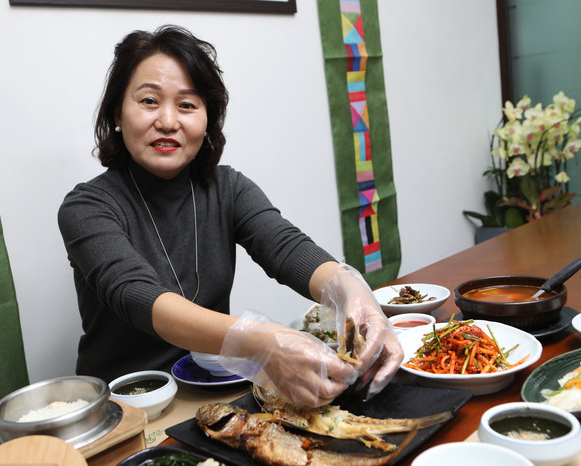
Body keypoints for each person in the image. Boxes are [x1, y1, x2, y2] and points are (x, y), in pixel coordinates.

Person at [58, 25, 401, 407]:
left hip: (212, 392)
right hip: (125, 408)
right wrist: (263, 342)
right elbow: (137, 296)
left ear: (208, 118)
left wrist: (351, 290)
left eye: (187, 105)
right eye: (149, 101)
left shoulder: (228, 188)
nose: (168, 121)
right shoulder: (87, 207)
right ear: (117, 114)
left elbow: (287, 248)